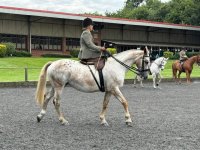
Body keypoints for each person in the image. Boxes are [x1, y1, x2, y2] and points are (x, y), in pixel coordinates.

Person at [78, 17, 106, 92]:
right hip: (86, 53)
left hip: (88, 51)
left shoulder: (88, 33)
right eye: (92, 25)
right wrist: (100, 48)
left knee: (102, 54)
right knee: (102, 54)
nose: (92, 26)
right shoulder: (86, 33)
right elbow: (90, 45)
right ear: (88, 26)